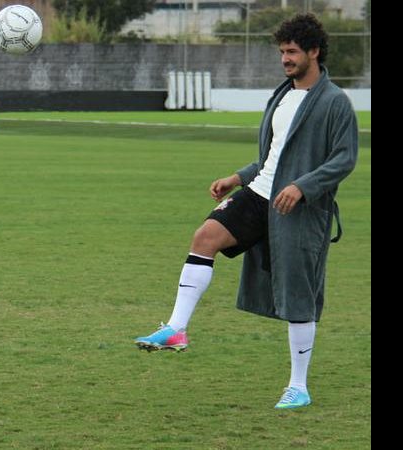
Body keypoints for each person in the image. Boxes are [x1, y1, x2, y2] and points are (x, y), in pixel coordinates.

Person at [133, 13, 358, 409]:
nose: (285, 59)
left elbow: (344, 159)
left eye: (291, 52)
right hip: (259, 194)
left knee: (298, 297)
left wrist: (302, 187)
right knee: (205, 237)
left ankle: (298, 386)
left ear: (314, 52)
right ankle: (176, 328)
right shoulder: (282, 95)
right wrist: (237, 178)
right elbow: (271, 157)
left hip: (299, 211)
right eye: (282, 52)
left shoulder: (335, 102)